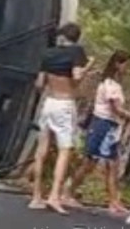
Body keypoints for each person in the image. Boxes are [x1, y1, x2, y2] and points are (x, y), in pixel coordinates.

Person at [62, 50, 130, 216]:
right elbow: (118, 110)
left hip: (112, 127)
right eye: (125, 64)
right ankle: (68, 192)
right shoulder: (108, 85)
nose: (127, 68)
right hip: (102, 125)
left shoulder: (116, 85)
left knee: (111, 165)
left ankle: (114, 202)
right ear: (117, 64)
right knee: (89, 163)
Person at [29, 23, 94, 215]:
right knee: (65, 150)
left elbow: (39, 84)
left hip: (48, 102)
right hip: (64, 104)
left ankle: (36, 196)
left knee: (41, 150)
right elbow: (76, 77)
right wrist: (88, 66)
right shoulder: (77, 52)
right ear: (77, 38)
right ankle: (55, 196)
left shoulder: (48, 54)